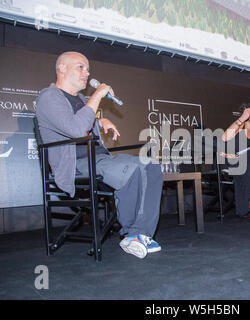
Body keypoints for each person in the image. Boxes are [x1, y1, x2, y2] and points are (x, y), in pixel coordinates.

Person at [36, 51, 163, 259]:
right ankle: (134, 234)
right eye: (80, 67)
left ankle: (139, 234)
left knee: (150, 165)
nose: (87, 73)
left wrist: (100, 122)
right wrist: (97, 96)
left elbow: (83, 121)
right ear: (62, 68)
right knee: (130, 171)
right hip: (75, 163)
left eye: (88, 68)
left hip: (99, 158)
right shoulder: (48, 97)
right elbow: (76, 129)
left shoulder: (78, 98)